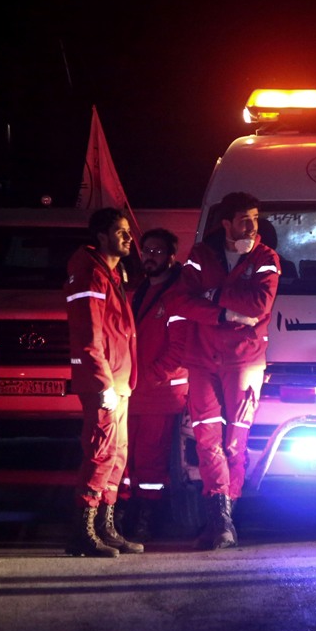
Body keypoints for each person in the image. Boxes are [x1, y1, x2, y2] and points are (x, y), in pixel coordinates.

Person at [178, 191, 280, 550]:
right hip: (203, 359)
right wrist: (224, 313)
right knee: (207, 440)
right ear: (225, 223)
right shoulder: (201, 255)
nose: (252, 226)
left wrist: (212, 295)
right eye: (243, 220)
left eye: (255, 217)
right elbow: (180, 300)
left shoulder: (266, 258)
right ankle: (219, 518)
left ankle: (227, 516)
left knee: (235, 442)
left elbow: (258, 304)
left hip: (244, 360)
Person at [64, 207, 142, 558]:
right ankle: (83, 531)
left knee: (116, 455)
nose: (128, 238)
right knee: (100, 454)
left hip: (119, 379)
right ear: (101, 236)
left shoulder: (111, 273)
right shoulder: (90, 274)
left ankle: (104, 527)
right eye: (121, 231)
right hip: (106, 382)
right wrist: (102, 384)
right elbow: (87, 334)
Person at [119, 228, 190, 542]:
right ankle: (126, 513)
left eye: (158, 251)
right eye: (146, 250)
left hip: (160, 393)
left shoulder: (178, 295)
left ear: (172, 256)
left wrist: (146, 378)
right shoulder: (141, 291)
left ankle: (149, 517)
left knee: (151, 459)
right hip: (137, 391)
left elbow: (180, 349)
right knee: (127, 458)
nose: (150, 256)